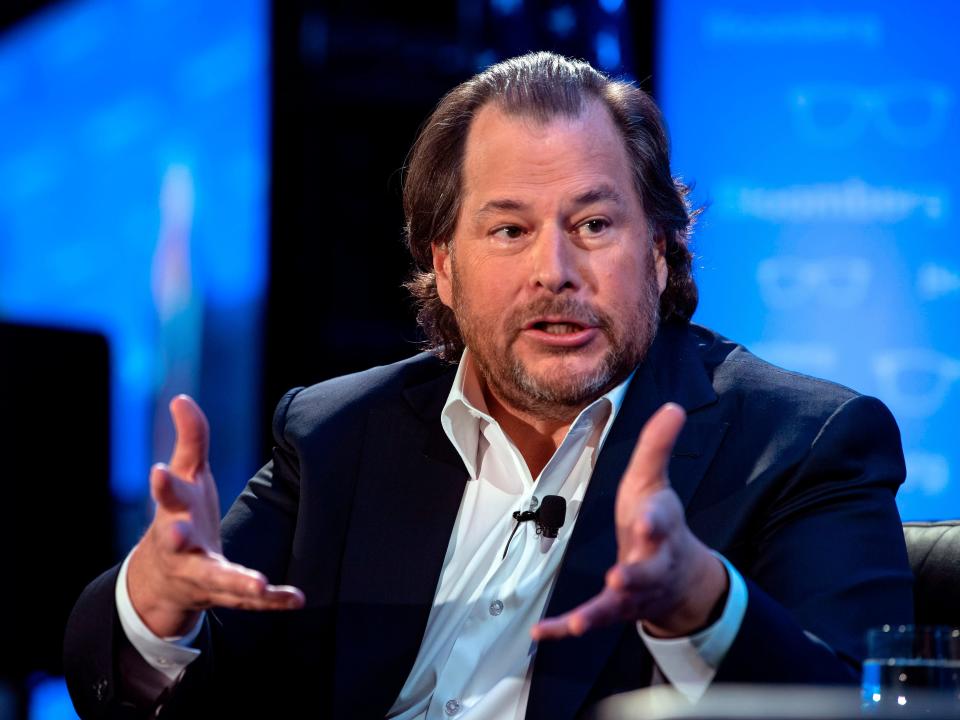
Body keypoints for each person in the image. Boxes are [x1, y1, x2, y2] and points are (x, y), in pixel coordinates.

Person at [64, 52, 913, 719]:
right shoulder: (336, 437)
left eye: (594, 224)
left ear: (658, 251)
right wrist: (156, 602)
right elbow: (129, 686)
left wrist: (701, 603)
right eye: (508, 229)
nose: (555, 271)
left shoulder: (806, 441)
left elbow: (856, 706)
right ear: (444, 265)